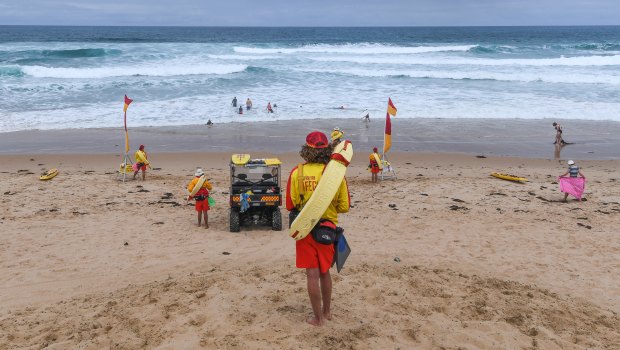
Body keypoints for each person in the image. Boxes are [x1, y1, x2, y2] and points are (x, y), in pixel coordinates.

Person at [286, 131, 350, 326]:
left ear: (306, 150)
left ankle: (317, 318)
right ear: (327, 150)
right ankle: (327, 312)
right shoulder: (335, 175)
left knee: (311, 274)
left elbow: (291, 204)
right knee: (324, 272)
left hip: (305, 229)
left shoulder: (297, 173)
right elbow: (344, 206)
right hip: (327, 229)